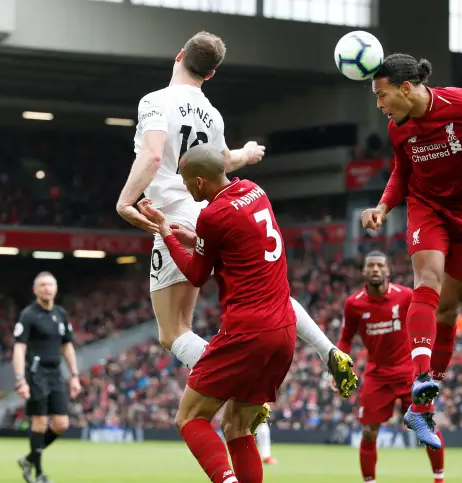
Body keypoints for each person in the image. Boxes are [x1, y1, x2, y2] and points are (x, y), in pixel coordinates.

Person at [115, 31, 356, 412]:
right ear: (211, 75)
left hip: (177, 216)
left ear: (179, 56)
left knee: (173, 331)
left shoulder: (155, 101)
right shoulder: (211, 113)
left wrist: (125, 201)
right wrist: (244, 153)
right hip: (213, 212)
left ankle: (237, 388)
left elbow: (152, 154)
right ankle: (329, 350)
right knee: (269, 296)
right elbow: (219, 163)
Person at [138, 144, 351, 483]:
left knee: (189, 418)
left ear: (201, 181)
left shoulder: (213, 215)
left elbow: (194, 274)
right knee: (236, 426)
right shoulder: (255, 191)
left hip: (247, 331)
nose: (189, 192)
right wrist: (197, 240)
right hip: (284, 330)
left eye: (190, 185)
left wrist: (164, 230)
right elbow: (235, 244)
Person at [361, 54, 462, 448]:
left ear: (405, 89)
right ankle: (420, 378)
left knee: (450, 308)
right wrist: (384, 206)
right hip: (427, 207)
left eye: (382, 96)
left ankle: (421, 411)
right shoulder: (398, 129)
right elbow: (402, 170)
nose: (379, 105)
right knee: (427, 281)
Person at [338, 252, 455, 483]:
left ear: (388, 271)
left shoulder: (406, 296)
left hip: (408, 375)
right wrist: (338, 367)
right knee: (369, 432)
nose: (376, 270)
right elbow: (346, 338)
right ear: (364, 272)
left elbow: (425, 322)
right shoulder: (353, 304)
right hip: (376, 376)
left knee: (428, 426)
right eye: (371, 266)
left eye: (380, 265)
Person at [13, 272, 82, 483]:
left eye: (50, 284)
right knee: (40, 422)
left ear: (56, 288)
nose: (47, 288)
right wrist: (20, 379)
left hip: (56, 374)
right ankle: (39, 473)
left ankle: (29, 459)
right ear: (35, 290)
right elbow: (19, 348)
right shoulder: (29, 315)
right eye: (42, 285)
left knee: (61, 424)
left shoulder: (61, 314)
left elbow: (67, 346)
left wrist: (74, 375)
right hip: (36, 373)